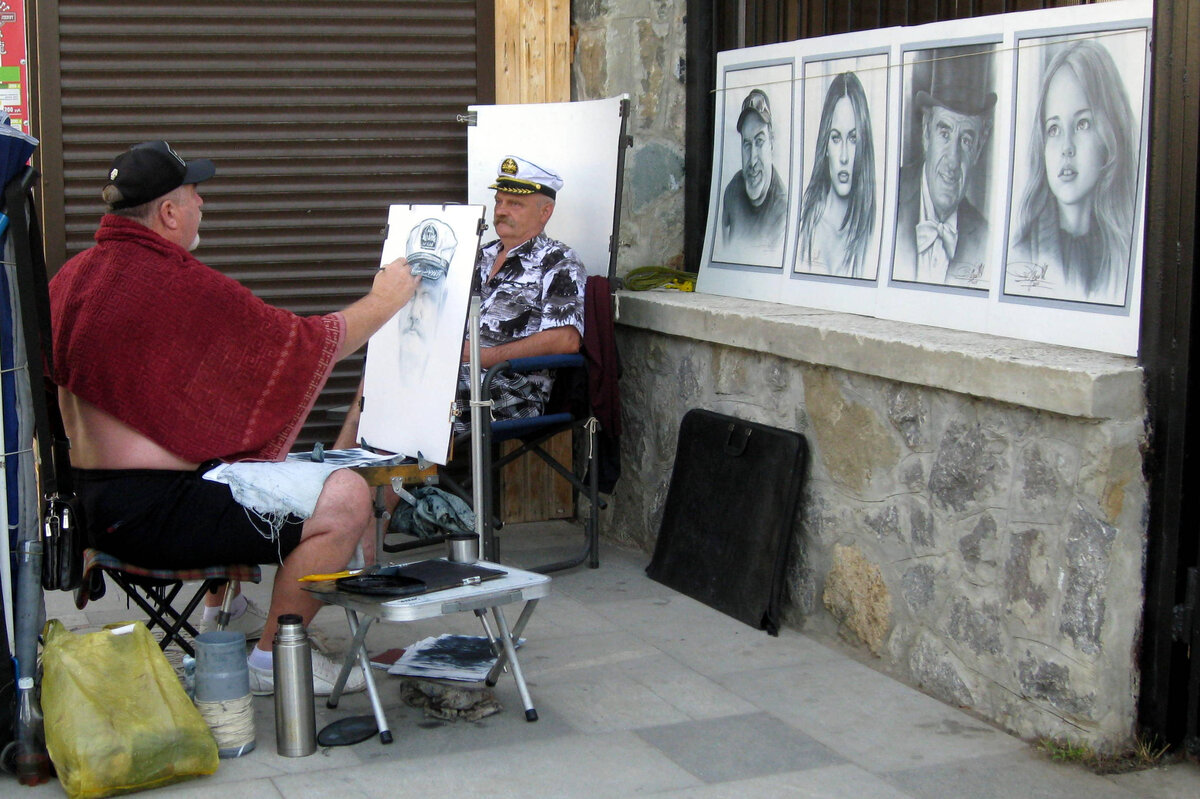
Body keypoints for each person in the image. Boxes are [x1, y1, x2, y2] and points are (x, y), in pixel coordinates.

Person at [48, 140, 420, 696]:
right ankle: (274, 659)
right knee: (347, 496)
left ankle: (227, 616)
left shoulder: (74, 277)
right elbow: (304, 344)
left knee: (238, 453)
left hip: (89, 505)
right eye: (196, 194)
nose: (204, 205)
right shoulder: (172, 283)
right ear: (169, 213)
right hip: (155, 515)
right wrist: (386, 298)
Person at [333, 154, 586, 446]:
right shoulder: (476, 255)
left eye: (515, 204)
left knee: (415, 395)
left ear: (545, 212)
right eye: (499, 201)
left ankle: (375, 485)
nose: (502, 211)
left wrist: (480, 356)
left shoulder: (559, 261)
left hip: (511, 386)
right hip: (452, 372)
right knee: (381, 371)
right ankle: (340, 465)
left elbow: (565, 341)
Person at [1007, 38, 1137, 305]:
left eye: (1083, 124)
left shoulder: (1127, 255)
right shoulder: (1020, 256)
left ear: (1109, 134)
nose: (1066, 147)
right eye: (1054, 129)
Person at [894, 46, 996, 286]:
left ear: (979, 148)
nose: (952, 160)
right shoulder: (885, 201)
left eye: (966, 140)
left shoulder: (985, 238)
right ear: (927, 133)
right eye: (945, 132)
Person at [797, 72, 876, 278]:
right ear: (825, 145)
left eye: (852, 139)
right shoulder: (805, 227)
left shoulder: (872, 233)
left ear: (864, 144)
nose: (843, 157)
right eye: (835, 138)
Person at [720, 88, 788, 255]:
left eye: (759, 142)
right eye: (747, 144)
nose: (752, 160)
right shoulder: (731, 191)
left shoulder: (783, 212)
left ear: (771, 142)